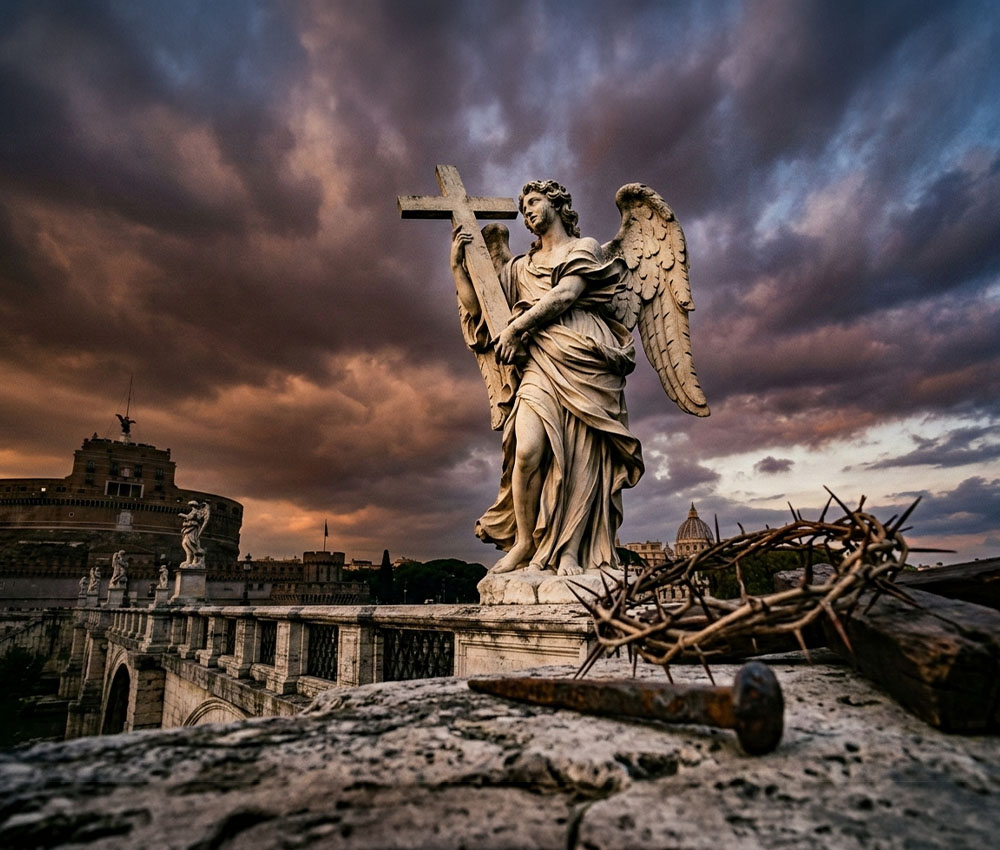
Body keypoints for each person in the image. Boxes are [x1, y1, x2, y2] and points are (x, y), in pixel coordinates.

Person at [450, 180, 643, 575]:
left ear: (557, 203)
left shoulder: (583, 248)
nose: (528, 213)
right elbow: (483, 313)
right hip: (540, 361)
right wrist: (458, 269)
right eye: (523, 209)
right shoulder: (520, 267)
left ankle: (569, 549)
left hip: (584, 357)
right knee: (527, 452)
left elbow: (566, 295)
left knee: (577, 458)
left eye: (534, 203)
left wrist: (517, 328)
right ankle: (525, 542)